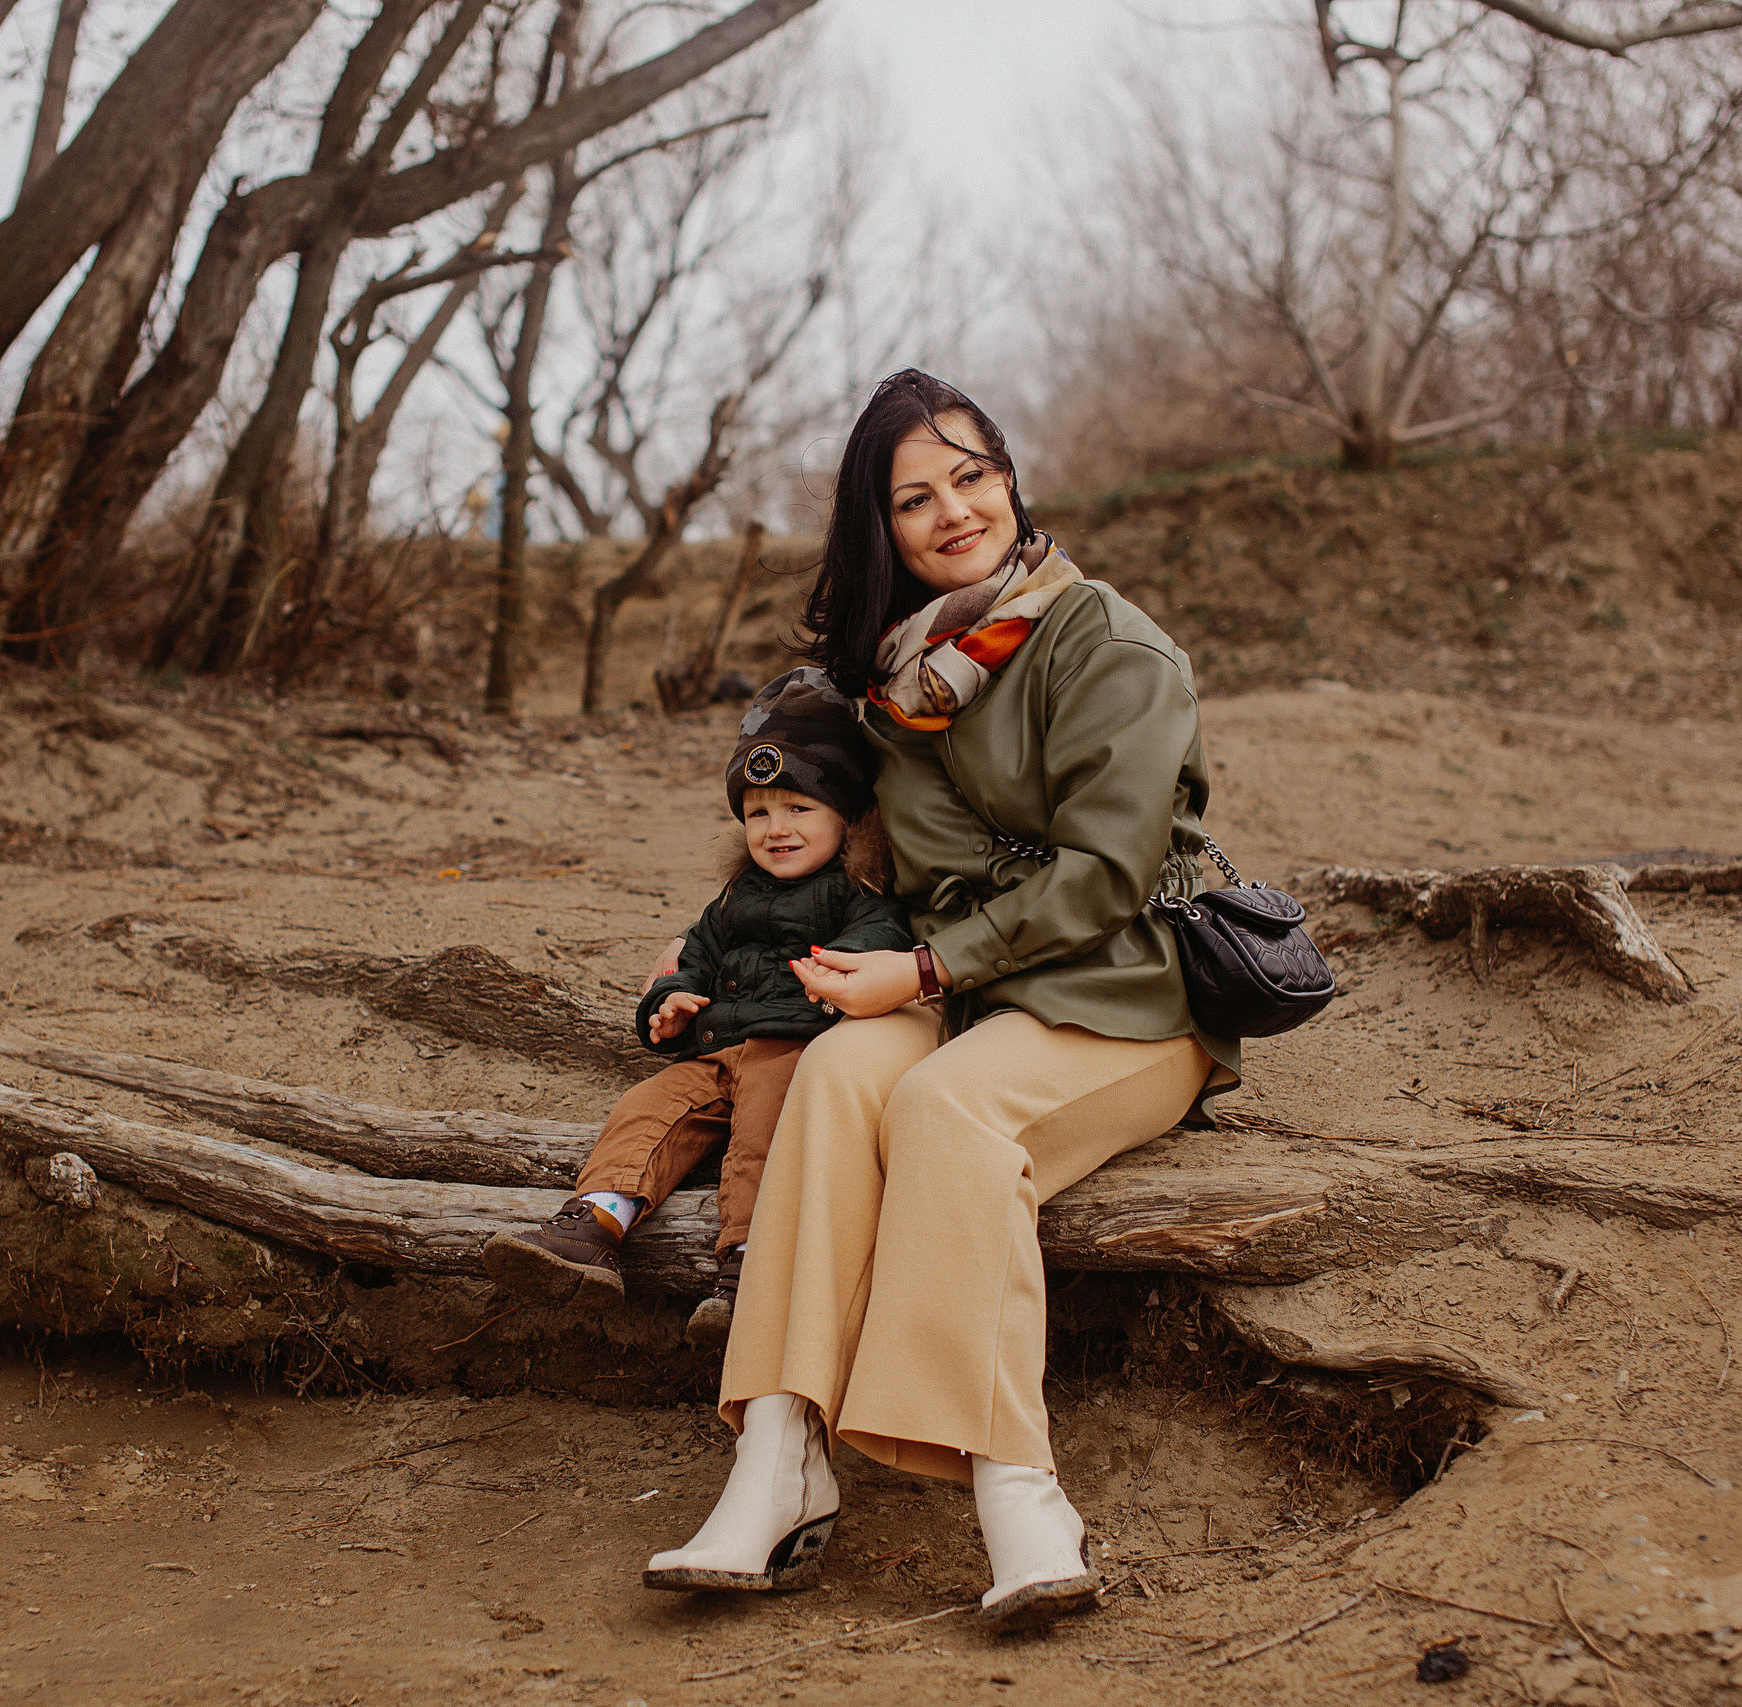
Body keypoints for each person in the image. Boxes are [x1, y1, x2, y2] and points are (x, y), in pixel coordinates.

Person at [640, 370, 1244, 1631]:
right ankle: (777, 1457)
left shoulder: (1106, 643)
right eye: (914, 497)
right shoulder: (890, 678)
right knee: (836, 1075)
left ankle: (1018, 1485)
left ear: (1009, 479)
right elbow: (802, 835)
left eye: (970, 476)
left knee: (947, 1108)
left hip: (1126, 995)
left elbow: (1108, 872)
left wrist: (921, 973)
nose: (953, 510)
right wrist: (705, 960)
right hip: (966, 990)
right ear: (881, 528)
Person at [479, 668, 912, 1347]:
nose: (777, 829)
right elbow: (696, 954)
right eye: (759, 813)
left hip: (792, 1047)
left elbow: (881, 938)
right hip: (716, 1050)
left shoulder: (857, 889)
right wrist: (668, 1003)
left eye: (799, 809)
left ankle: (749, 1263)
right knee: (647, 1107)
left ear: (846, 814)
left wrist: (840, 966)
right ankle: (596, 1222)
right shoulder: (736, 894)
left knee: (765, 1135)